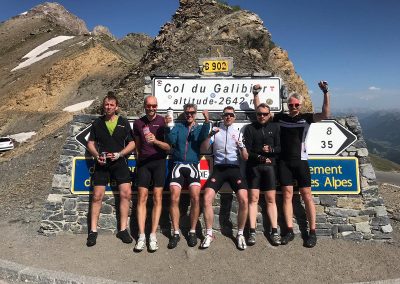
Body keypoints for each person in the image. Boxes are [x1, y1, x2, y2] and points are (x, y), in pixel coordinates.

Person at [253, 81, 330, 248]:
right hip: (284, 162)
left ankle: (312, 232)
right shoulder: (281, 117)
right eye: (291, 104)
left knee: (307, 196)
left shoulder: (307, 118)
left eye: (296, 105)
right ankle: (289, 230)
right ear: (288, 105)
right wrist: (255, 94)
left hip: (301, 161)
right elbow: (261, 111)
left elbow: (324, 114)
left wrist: (325, 93)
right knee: (287, 195)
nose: (293, 107)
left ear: (300, 105)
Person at [86, 92, 136, 247]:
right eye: (106, 104)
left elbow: (133, 143)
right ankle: (93, 232)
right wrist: (96, 155)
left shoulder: (123, 122)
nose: (108, 107)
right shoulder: (97, 123)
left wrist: (120, 154)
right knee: (97, 196)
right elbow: (90, 143)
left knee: (126, 194)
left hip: (119, 162)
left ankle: (122, 230)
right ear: (103, 106)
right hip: (102, 163)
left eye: (111, 105)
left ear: (116, 107)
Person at [200, 106, 249, 250]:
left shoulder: (238, 133)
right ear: (222, 116)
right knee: (207, 198)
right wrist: (209, 136)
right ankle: (209, 234)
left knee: (244, 200)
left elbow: (245, 158)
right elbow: (203, 149)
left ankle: (240, 234)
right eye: (226, 115)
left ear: (234, 117)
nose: (228, 117)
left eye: (231, 115)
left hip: (234, 169)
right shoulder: (216, 131)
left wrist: (241, 147)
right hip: (219, 169)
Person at [165, 104, 211, 249]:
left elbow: (203, 137)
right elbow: (171, 141)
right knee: (173, 197)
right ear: (184, 114)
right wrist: (168, 126)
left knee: (196, 198)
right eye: (187, 113)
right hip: (178, 164)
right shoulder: (179, 127)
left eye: (192, 112)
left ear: (195, 113)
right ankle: (176, 232)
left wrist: (207, 121)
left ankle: (192, 231)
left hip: (192, 165)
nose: (189, 115)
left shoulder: (198, 128)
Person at [132, 96, 170, 252]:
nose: (151, 108)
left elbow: (168, 147)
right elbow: (137, 146)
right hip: (144, 164)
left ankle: (153, 235)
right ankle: (141, 236)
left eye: (154, 106)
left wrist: (155, 141)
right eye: (148, 105)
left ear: (157, 106)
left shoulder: (163, 122)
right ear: (144, 106)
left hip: (159, 162)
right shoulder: (138, 123)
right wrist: (140, 158)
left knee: (158, 198)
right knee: (141, 198)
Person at [244, 102, 281, 246]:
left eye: (265, 114)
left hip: (270, 167)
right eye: (259, 114)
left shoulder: (275, 127)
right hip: (254, 167)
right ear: (256, 114)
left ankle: (274, 231)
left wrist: (270, 150)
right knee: (253, 199)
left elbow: (280, 148)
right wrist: (260, 157)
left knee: (271, 199)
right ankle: (252, 231)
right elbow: (247, 150)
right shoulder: (250, 128)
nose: (262, 116)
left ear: (269, 114)